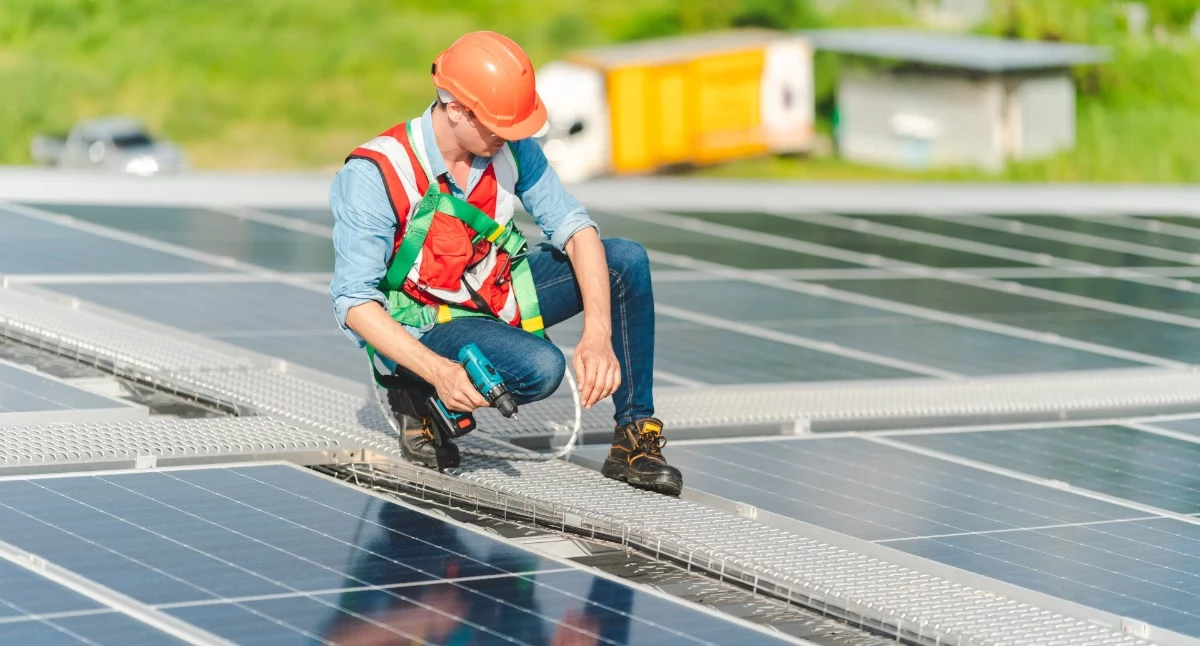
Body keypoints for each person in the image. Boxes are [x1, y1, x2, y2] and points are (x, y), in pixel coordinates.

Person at [327, 31, 682, 497]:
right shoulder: (376, 173)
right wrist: (441, 373)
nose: (511, 137)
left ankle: (633, 436)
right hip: (427, 323)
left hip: (491, 295)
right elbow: (354, 302)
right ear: (456, 108)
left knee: (624, 260)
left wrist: (597, 332)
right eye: (499, 126)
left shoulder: (508, 146)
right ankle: (415, 392)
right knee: (541, 368)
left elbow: (576, 230)